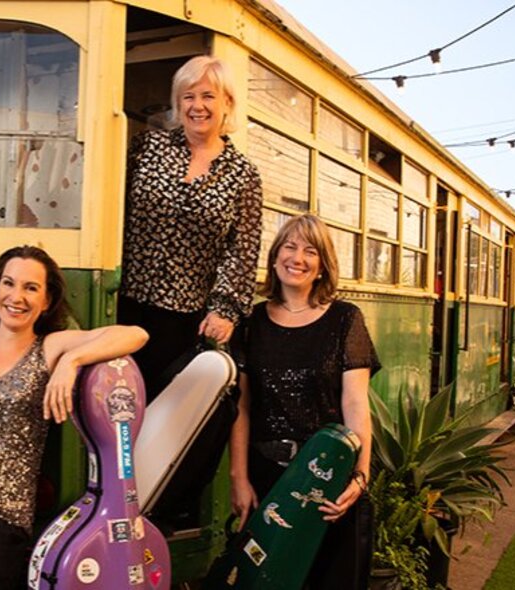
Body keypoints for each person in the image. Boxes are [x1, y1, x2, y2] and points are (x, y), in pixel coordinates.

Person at [0, 245, 148, 590]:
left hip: (1, 520)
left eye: (30, 288)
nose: (16, 296)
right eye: (9, 283)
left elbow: (136, 334)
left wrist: (71, 360)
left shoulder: (49, 348)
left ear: (46, 300)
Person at [229, 213, 379, 589]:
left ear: (323, 266)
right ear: (275, 255)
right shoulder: (250, 322)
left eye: (310, 251)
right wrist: (239, 478)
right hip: (269, 478)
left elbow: (356, 405)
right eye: (289, 246)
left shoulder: (346, 319)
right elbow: (241, 408)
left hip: (329, 477)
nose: (297, 258)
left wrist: (360, 477)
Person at [119, 54, 263, 399]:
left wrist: (224, 310)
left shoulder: (243, 174)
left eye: (208, 96)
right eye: (188, 96)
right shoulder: (147, 148)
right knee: (118, 403)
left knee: (165, 417)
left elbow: (242, 250)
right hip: (124, 303)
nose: (197, 106)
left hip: (185, 320)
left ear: (227, 102)